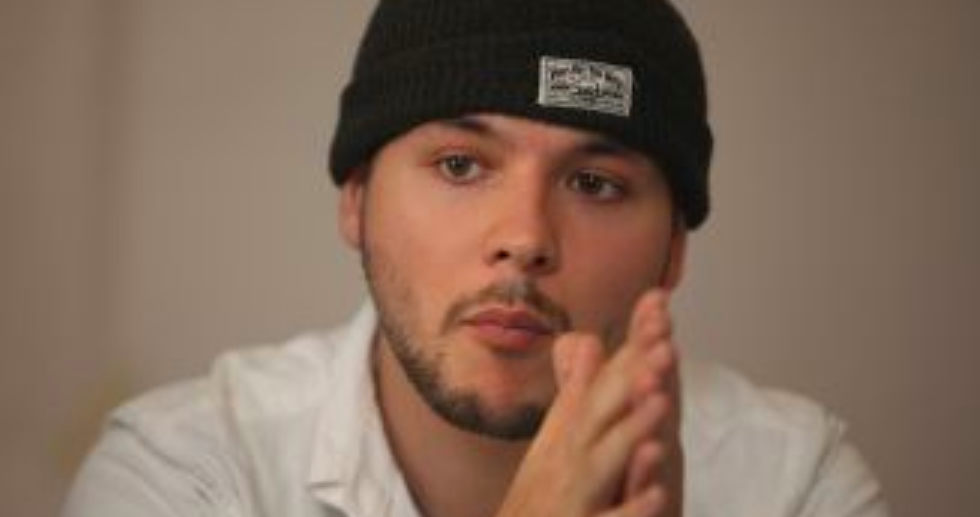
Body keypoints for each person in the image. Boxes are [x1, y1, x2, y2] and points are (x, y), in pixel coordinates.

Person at [63, 0, 890, 516]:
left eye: (595, 183)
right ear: (356, 198)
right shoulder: (188, 471)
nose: (524, 237)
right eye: (461, 165)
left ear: (674, 248)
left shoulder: (794, 483)